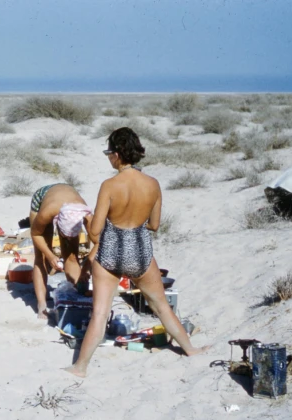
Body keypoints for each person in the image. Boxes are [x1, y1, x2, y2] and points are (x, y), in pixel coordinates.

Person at [65, 127, 209, 377]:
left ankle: (80, 367)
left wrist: (95, 227)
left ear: (118, 154)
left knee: (100, 312)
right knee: (162, 306)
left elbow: (96, 230)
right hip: (140, 251)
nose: (109, 157)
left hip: (110, 252)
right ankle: (189, 348)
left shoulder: (110, 185)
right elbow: (154, 225)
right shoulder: (152, 184)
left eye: (109, 152)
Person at [29, 184, 93, 319]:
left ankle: (75, 297)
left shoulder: (85, 215)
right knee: (40, 257)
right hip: (44, 197)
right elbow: (35, 234)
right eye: (66, 235)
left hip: (68, 195)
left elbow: (99, 241)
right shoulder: (48, 211)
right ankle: (42, 305)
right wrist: (50, 255)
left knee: (72, 256)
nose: (68, 238)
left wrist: (86, 267)